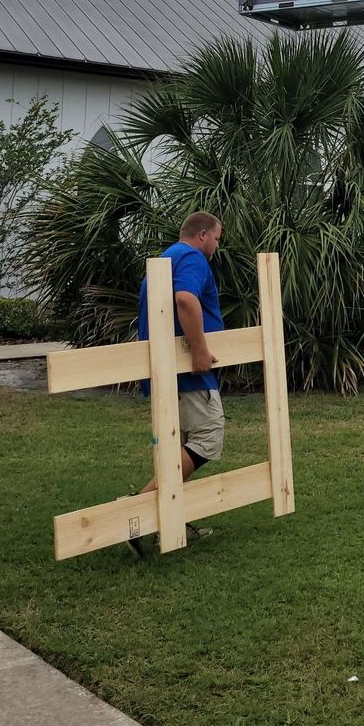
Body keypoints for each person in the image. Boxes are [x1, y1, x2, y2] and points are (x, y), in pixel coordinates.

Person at [130, 210, 226, 554]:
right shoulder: (192, 258)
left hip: (165, 372)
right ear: (202, 235)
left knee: (177, 445)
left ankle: (166, 518)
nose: (217, 245)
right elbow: (185, 299)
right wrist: (200, 351)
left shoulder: (166, 258)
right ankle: (138, 507)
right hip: (187, 372)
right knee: (208, 437)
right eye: (216, 238)